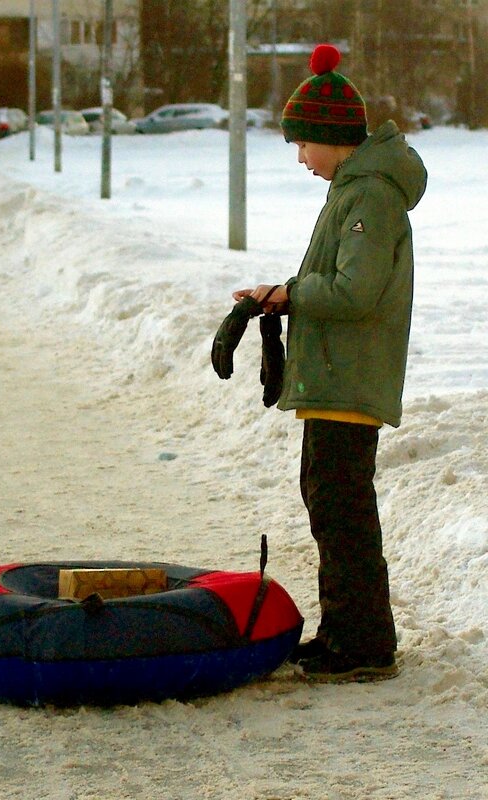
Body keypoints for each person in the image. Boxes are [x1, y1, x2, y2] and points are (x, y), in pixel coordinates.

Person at [232, 45, 427, 683]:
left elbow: (354, 292)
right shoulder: (355, 190)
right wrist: (282, 292)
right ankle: (348, 631)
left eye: (301, 144)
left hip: (350, 376)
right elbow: (335, 280)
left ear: (329, 137)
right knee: (330, 501)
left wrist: (291, 294)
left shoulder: (369, 197)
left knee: (341, 506)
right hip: (335, 376)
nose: (298, 158)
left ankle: (364, 645)